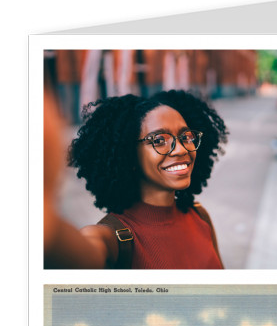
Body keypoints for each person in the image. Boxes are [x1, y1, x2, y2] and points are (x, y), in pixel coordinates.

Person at [51, 89, 227, 269]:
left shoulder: (200, 217)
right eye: (159, 140)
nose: (181, 149)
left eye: (186, 136)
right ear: (129, 154)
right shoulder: (111, 239)